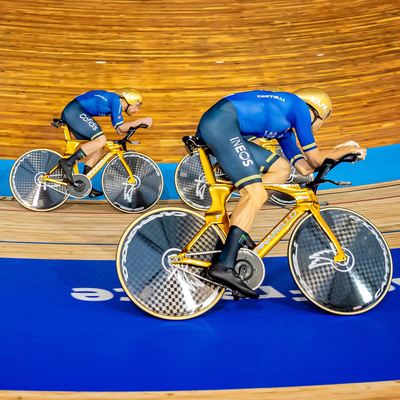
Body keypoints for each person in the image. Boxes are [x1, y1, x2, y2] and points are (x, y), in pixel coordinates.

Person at [195, 87, 367, 299]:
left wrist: (336, 157)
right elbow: (315, 158)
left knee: (281, 169)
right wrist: (346, 149)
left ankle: (237, 224)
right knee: (256, 194)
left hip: (221, 124)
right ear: (319, 112)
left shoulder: (284, 129)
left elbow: (305, 168)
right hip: (221, 124)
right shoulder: (299, 108)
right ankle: (224, 265)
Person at [59, 88, 153, 197]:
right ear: (129, 101)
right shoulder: (116, 102)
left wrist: (137, 125)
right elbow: (122, 128)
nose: (137, 110)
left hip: (76, 112)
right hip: (74, 111)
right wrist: (140, 121)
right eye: (137, 106)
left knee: (98, 147)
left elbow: (119, 130)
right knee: (101, 140)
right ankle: (68, 162)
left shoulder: (115, 106)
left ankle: (84, 181)